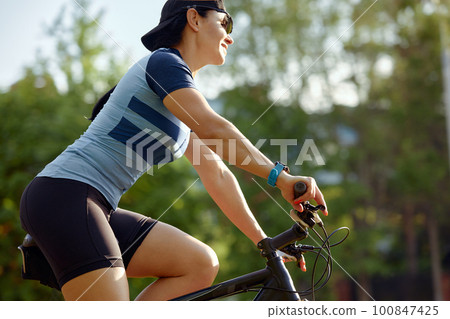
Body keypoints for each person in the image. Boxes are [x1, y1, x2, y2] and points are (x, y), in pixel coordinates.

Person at [19, 0, 327, 301]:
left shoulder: (180, 101)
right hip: (65, 196)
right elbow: (215, 129)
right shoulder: (165, 63)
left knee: (200, 263)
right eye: (225, 22)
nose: (230, 36)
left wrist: (265, 243)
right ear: (194, 19)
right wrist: (281, 177)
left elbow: (217, 174)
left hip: (96, 205)